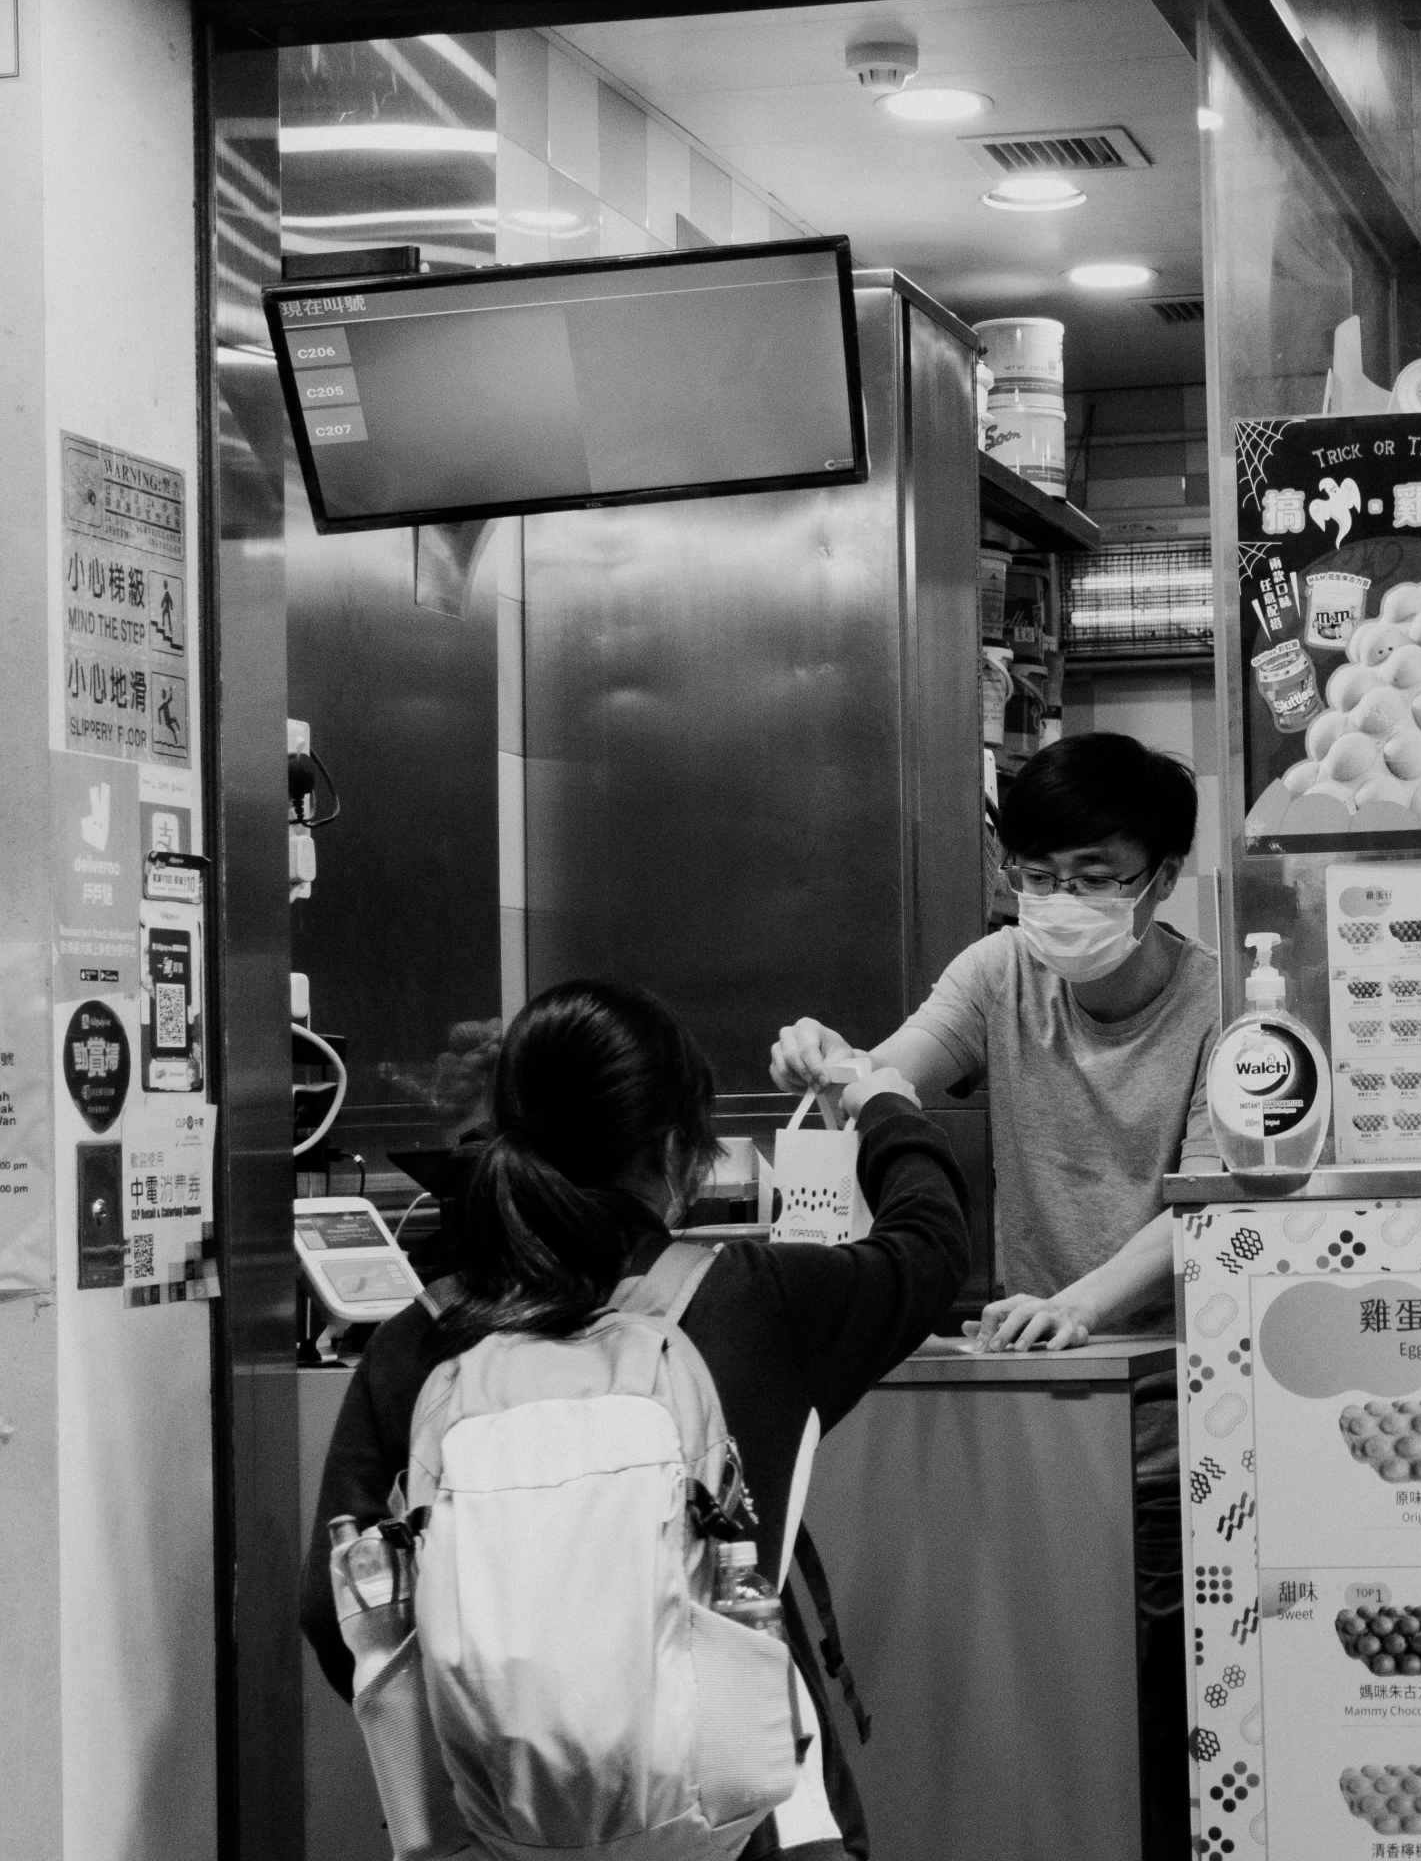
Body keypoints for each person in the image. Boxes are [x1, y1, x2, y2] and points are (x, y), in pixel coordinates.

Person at [301, 979, 971, 1861]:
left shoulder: (421, 1341)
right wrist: (883, 1101)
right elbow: (929, 1243)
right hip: (746, 1833)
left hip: (497, 1838)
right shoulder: (753, 1305)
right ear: (674, 1150)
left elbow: (333, 1607)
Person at [770, 730, 1222, 1860]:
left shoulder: (1227, 1011)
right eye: (1035, 876)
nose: (1059, 903)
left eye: (1093, 877)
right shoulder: (998, 973)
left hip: (1177, 1440)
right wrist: (839, 1069)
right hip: (1031, 1423)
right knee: (1038, 1747)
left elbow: (1210, 1209)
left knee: (1149, 1759)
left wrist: (1082, 1304)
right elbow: (893, 1074)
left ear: (1162, 877)